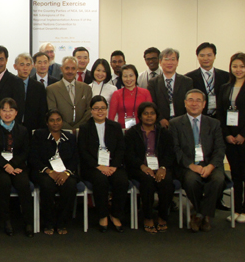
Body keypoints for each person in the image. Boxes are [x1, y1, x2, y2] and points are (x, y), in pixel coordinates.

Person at [170, 89, 226, 232]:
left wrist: (211, 166)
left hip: (210, 164)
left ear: (204, 104)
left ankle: (200, 214)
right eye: (190, 100)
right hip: (188, 165)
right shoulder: (175, 123)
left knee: (218, 180)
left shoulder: (214, 123)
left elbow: (220, 149)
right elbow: (175, 149)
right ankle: (204, 215)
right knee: (191, 180)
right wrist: (191, 165)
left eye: (198, 100)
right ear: (185, 103)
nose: (194, 103)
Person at [217, 53, 245, 223]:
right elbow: (221, 113)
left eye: (242, 66)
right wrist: (227, 134)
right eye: (235, 66)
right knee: (235, 174)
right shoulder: (225, 87)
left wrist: (243, 135)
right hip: (229, 137)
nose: (238, 70)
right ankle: (236, 209)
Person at [78, 95, 128, 232]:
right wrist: (98, 166)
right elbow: (83, 151)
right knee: (100, 180)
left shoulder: (115, 127)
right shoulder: (85, 128)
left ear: (107, 109)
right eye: (96, 108)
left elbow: (121, 148)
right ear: (91, 110)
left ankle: (116, 214)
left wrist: (114, 166)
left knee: (122, 180)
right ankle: (103, 215)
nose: (100, 111)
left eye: (103, 108)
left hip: (113, 165)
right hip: (93, 166)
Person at [0, 98, 33, 237]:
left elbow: (25, 152)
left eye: (10, 110)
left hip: (17, 166)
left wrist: (12, 165)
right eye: (4, 110)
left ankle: (28, 222)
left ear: (16, 112)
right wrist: (5, 165)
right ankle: (6, 221)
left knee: (24, 183)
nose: (7, 113)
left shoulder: (22, 130)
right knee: (4, 182)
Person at [124, 102, 175, 233]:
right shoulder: (132, 133)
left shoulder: (164, 133)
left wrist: (163, 167)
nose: (149, 116)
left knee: (166, 181)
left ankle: (162, 216)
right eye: (145, 113)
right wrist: (142, 166)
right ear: (140, 116)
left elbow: (170, 154)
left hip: (160, 166)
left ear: (156, 116)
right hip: (138, 168)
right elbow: (129, 155)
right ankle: (148, 217)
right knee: (147, 181)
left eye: (152, 113)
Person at [30, 109, 79, 235]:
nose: (55, 123)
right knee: (47, 185)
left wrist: (66, 173)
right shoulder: (39, 136)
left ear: (62, 122)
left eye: (58, 120)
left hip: (65, 172)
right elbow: (33, 158)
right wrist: (48, 171)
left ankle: (62, 223)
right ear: (47, 123)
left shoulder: (70, 137)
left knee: (70, 185)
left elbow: (75, 159)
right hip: (45, 172)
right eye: (52, 120)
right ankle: (49, 223)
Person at [148, 48, 194, 129]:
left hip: (183, 123)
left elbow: (190, 102)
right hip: (160, 124)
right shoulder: (153, 82)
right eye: (166, 59)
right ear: (160, 62)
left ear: (177, 62)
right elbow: (152, 103)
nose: (170, 62)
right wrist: (160, 119)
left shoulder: (187, 81)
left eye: (173, 59)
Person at [46, 56, 92, 130]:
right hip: (60, 130)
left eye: (73, 68)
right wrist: (67, 128)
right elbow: (52, 110)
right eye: (67, 68)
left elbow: (89, 110)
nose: (70, 71)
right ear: (62, 69)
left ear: (77, 69)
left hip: (82, 130)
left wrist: (78, 127)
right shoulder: (51, 89)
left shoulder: (86, 88)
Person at [186, 42, 230, 117]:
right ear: (197, 57)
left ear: (214, 56)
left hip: (221, 117)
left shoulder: (226, 76)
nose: (206, 58)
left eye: (209, 55)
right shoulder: (189, 78)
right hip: (199, 117)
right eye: (202, 55)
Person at [108, 64, 152, 129]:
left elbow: (150, 114)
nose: (128, 79)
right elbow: (111, 117)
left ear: (136, 76)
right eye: (125, 76)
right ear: (121, 78)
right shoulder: (116, 94)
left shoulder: (145, 93)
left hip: (142, 130)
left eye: (131, 76)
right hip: (122, 130)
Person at [14, 53, 47, 132]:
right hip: (13, 127)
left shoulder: (38, 87)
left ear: (32, 67)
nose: (25, 68)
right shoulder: (9, 83)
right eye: (22, 64)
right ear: (15, 66)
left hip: (33, 128)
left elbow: (42, 111)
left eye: (28, 65)